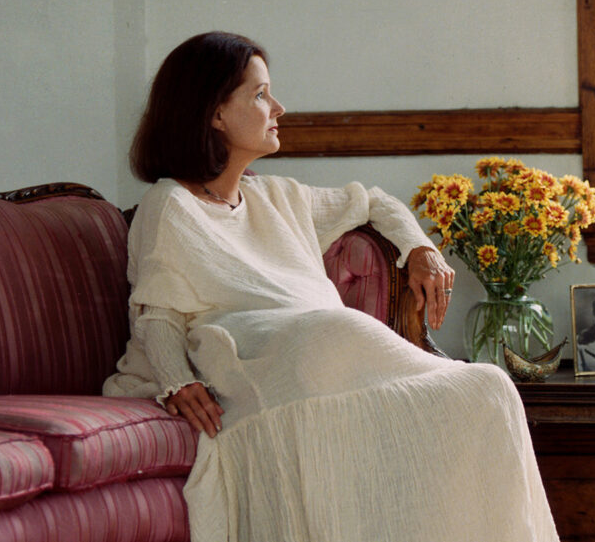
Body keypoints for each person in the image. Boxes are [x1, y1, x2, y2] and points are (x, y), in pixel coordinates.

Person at [103, 32, 559, 542]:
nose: (278, 107)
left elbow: (373, 202)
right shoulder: (170, 206)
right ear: (214, 115)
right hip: (248, 363)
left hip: (326, 353)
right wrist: (175, 382)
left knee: (487, 388)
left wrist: (420, 250)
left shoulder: (276, 195)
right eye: (259, 94)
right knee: (331, 327)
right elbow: (157, 315)